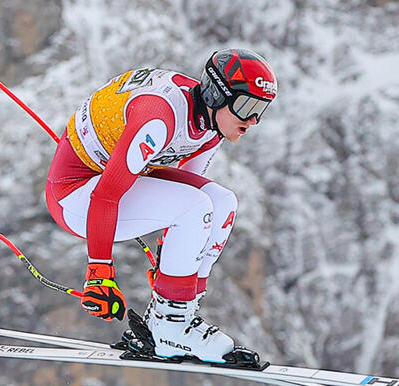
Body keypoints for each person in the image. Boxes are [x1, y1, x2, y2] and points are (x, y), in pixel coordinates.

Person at [44, 49, 277, 364]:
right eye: (246, 106)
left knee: (222, 203)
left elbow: (183, 196)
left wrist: (170, 263)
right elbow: (106, 195)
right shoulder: (160, 117)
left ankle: (175, 316)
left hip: (115, 182)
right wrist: (99, 272)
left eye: (260, 110)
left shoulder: (211, 125)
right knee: (195, 206)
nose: (252, 120)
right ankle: (171, 329)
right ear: (217, 94)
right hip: (76, 196)